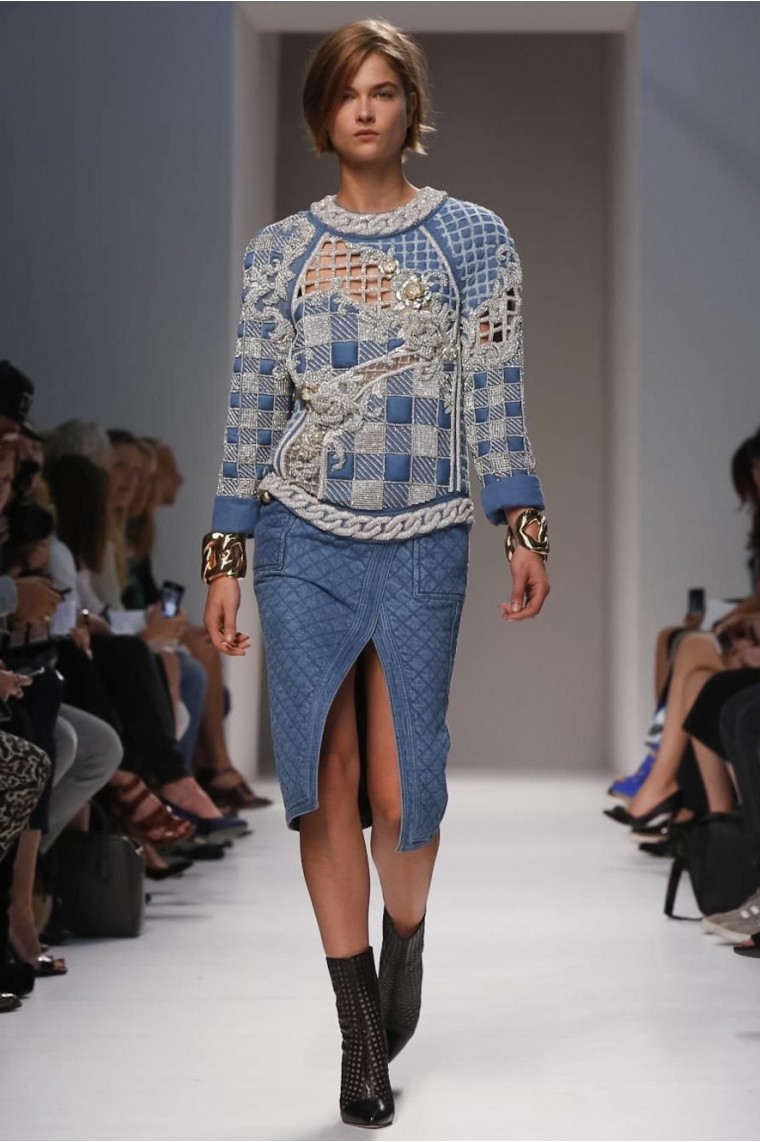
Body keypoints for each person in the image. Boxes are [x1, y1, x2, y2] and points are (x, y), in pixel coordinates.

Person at [203, 20, 550, 1129]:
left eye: (385, 89)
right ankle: (360, 1037)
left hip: (426, 529)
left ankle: (406, 939)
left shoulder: (474, 238)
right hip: (300, 536)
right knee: (326, 774)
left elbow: (494, 388)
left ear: (411, 107)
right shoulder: (277, 253)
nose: (365, 107)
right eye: (346, 91)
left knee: (404, 791)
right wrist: (225, 551)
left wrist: (523, 523)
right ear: (321, 112)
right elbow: (251, 406)